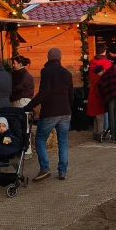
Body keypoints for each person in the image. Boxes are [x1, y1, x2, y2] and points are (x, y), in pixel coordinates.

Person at [29, 47, 74, 181]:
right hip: (65, 111)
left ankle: (45, 168)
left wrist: (29, 106)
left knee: (40, 139)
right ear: (60, 58)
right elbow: (71, 95)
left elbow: (44, 92)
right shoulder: (67, 73)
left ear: (48, 57)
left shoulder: (46, 71)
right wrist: (67, 107)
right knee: (63, 141)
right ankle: (62, 171)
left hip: (50, 111)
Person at [86, 43, 112, 140]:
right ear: (104, 51)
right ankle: (102, 133)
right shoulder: (106, 63)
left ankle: (96, 133)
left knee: (97, 116)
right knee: (102, 114)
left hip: (92, 91)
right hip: (102, 91)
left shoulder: (92, 62)